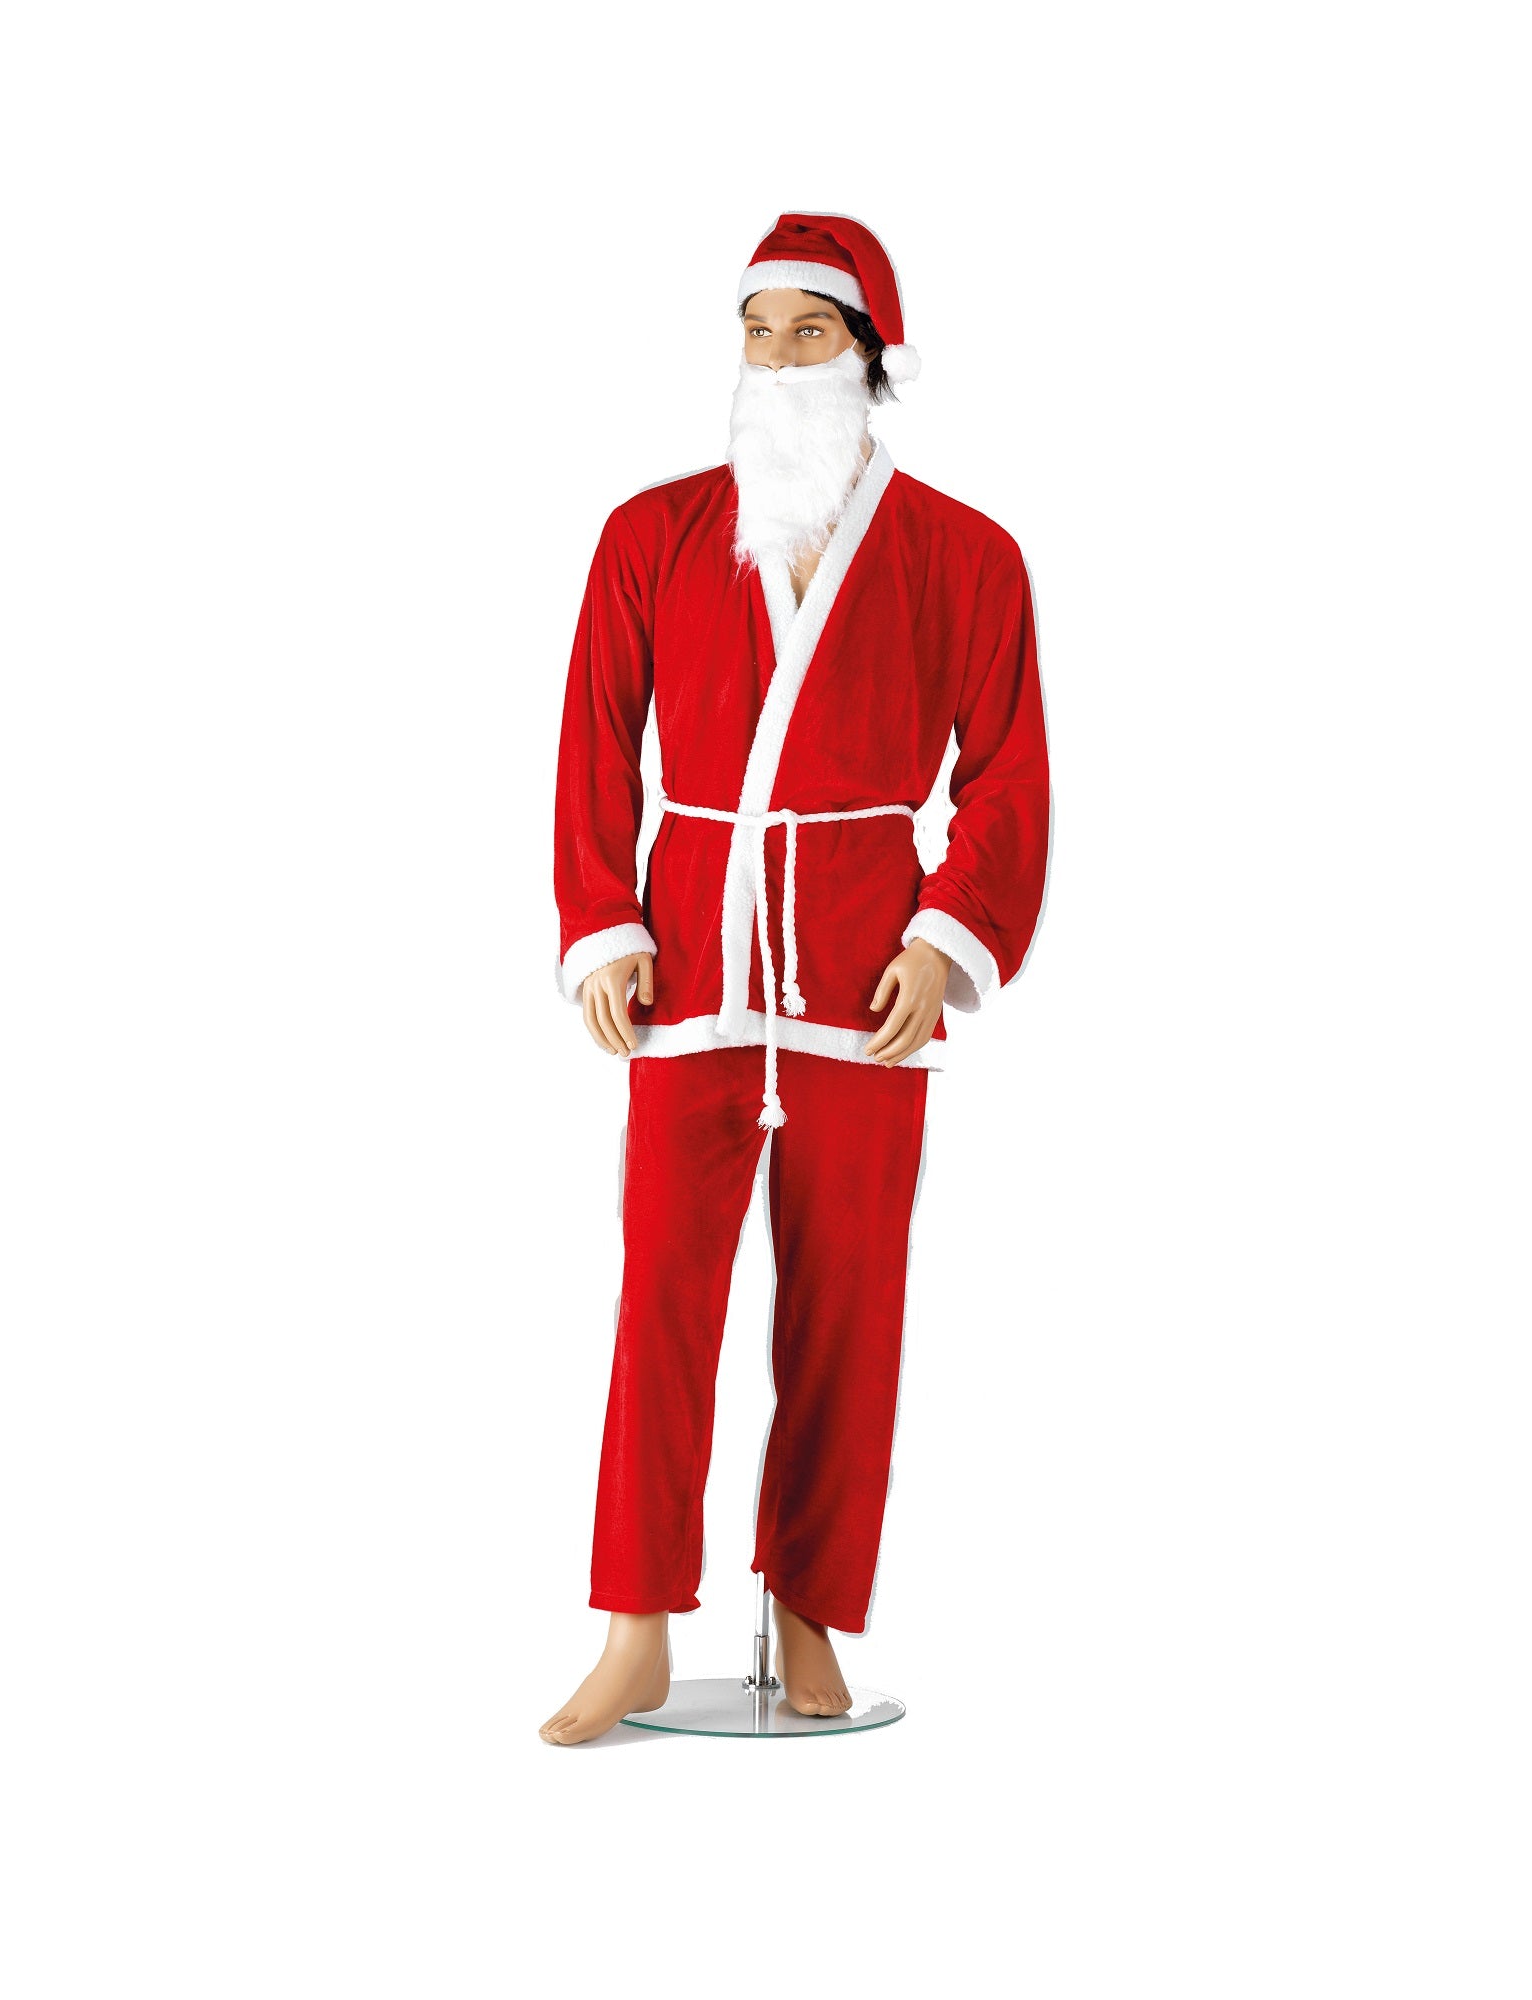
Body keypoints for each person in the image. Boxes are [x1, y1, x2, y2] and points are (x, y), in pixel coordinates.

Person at [540, 214, 1050, 1745]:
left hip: (864, 976)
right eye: (755, 332)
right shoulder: (651, 533)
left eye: (807, 332)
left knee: (848, 1307)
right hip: (690, 966)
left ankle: (812, 1610)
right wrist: (606, 924)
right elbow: (592, 743)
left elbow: (1007, 769)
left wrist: (946, 935)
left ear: (868, 356)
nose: (774, 360)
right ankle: (636, 1627)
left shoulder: (966, 554)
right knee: (661, 1301)